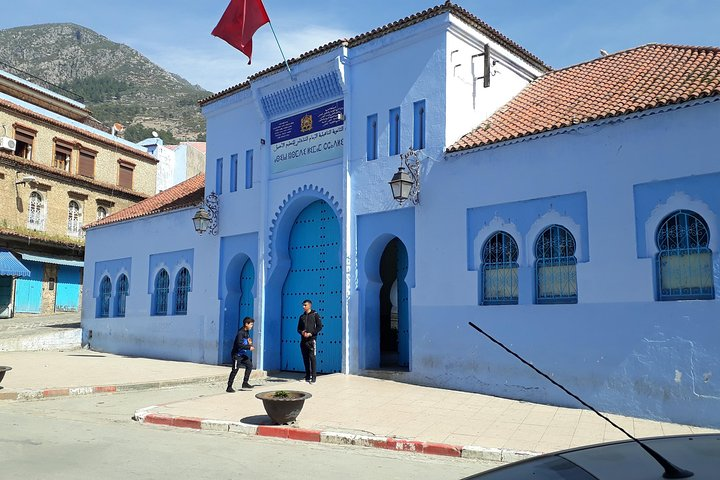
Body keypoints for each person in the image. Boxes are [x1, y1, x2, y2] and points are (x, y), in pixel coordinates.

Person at [297, 299, 323, 383]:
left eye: (305, 305)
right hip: (303, 341)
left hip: (311, 341)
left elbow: (319, 327)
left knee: (312, 358)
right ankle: (307, 375)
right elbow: (298, 329)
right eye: (303, 305)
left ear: (309, 305)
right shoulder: (301, 317)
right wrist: (302, 332)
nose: (303, 306)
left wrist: (311, 333)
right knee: (305, 358)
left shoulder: (315, 315)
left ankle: (314, 377)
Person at [227, 317, 255, 393]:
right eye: (251, 324)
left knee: (249, 365)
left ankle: (245, 383)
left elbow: (247, 339)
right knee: (235, 370)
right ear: (246, 324)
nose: (252, 326)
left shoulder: (246, 331)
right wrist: (249, 347)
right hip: (237, 355)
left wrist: (249, 342)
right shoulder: (240, 333)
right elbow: (239, 345)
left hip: (242, 354)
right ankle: (229, 387)